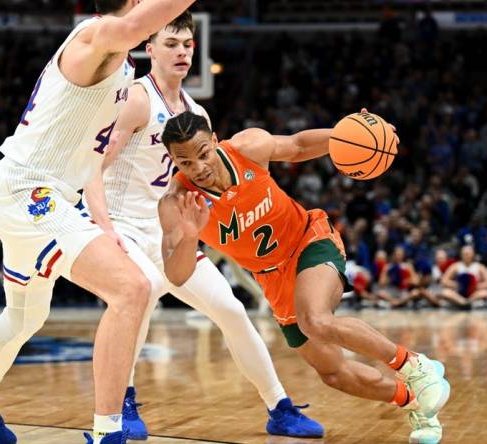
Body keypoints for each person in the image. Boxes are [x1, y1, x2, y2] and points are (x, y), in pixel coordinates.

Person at [0, 1, 198, 443]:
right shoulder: (95, 37)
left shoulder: (120, 60)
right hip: (29, 190)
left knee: (24, 317)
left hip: (50, 194)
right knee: (131, 289)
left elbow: (91, 160)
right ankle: (106, 433)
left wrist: (103, 225)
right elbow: (135, 25)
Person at [157, 111, 450, 444]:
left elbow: (297, 146)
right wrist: (192, 235)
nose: (198, 168)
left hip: (308, 239)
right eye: (185, 162)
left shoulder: (247, 147)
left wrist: (348, 132)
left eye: (203, 154)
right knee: (333, 373)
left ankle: (416, 365)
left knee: (315, 320)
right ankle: (416, 402)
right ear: (172, 160)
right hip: (272, 276)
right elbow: (177, 275)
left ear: (214, 141)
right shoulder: (175, 203)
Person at [96, 12, 321, 439]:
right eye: (170, 44)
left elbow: (212, 185)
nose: (181, 52)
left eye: (186, 45)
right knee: (139, 300)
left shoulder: (197, 112)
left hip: (173, 229)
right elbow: (97, 163)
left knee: (232, 310)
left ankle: (280, 407)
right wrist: (101, 225)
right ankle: (122, 403)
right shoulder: (137, 98)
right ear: (150, 48)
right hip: (126, 226)